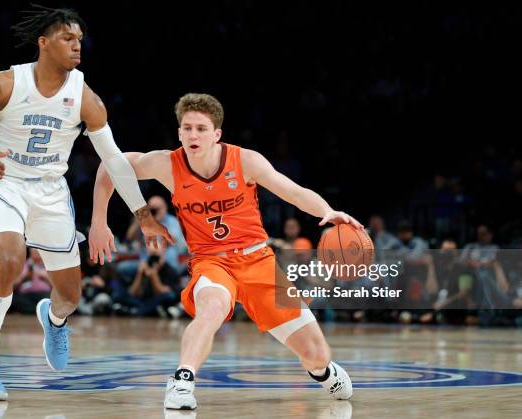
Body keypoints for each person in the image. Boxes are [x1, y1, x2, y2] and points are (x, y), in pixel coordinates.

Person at [0, 5, 172, 400]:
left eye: (80, 39)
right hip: (6, 184)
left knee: (71, 297)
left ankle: (54, 319)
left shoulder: (86, 99)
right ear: (44, 43)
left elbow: (115, 161)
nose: (77, 45)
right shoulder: (3, 84)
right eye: (68, 38)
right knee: (11, 260)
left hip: (51, 191)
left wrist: (144, 216)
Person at [89, 93, 362, 410]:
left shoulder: (245, 160)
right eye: (187, 128)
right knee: (213, 307)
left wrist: (328, 210)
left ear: (216, 134)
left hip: (258, 260)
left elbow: (294, 191)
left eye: (201, 129)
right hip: (211, 262)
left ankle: (324, 372)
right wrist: (104, 222)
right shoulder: (166, 163)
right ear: (179, 132)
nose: (193, 135)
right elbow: (109, 167)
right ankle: (182, 381)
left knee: (316, 355)